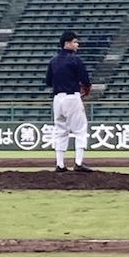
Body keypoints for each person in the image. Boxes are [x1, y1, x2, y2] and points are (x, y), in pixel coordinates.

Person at [45, 30, 92, 173]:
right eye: (75, 42)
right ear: (67, 43)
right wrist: (86, 89)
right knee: (80, 130)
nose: (77, 44)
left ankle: (60, 164)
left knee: (60, 131)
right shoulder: (75, 59)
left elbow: (48, 82)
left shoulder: (53, 61)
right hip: (71, 97)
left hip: (57, 99)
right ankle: (78, 162)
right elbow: (85, 80)